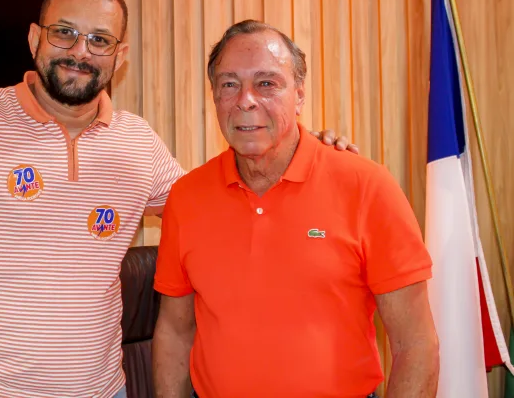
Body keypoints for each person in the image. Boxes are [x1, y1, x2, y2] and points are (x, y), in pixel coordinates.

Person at [0, 0, 353, 397]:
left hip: (104, 392)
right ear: (35, 38)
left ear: (119, 57)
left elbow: (227, 209)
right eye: (64, 32)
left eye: (100, 39)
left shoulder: (137, 144)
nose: (80, 51)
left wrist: (304, 156)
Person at [152, 20, 440, 398]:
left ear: (300, 95)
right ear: (215, 98)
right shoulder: (186, 197)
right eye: (229, 84)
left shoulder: (367, 186)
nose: (246, 100)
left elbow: (416, 344)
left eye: (267, 83)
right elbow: (175, 332)